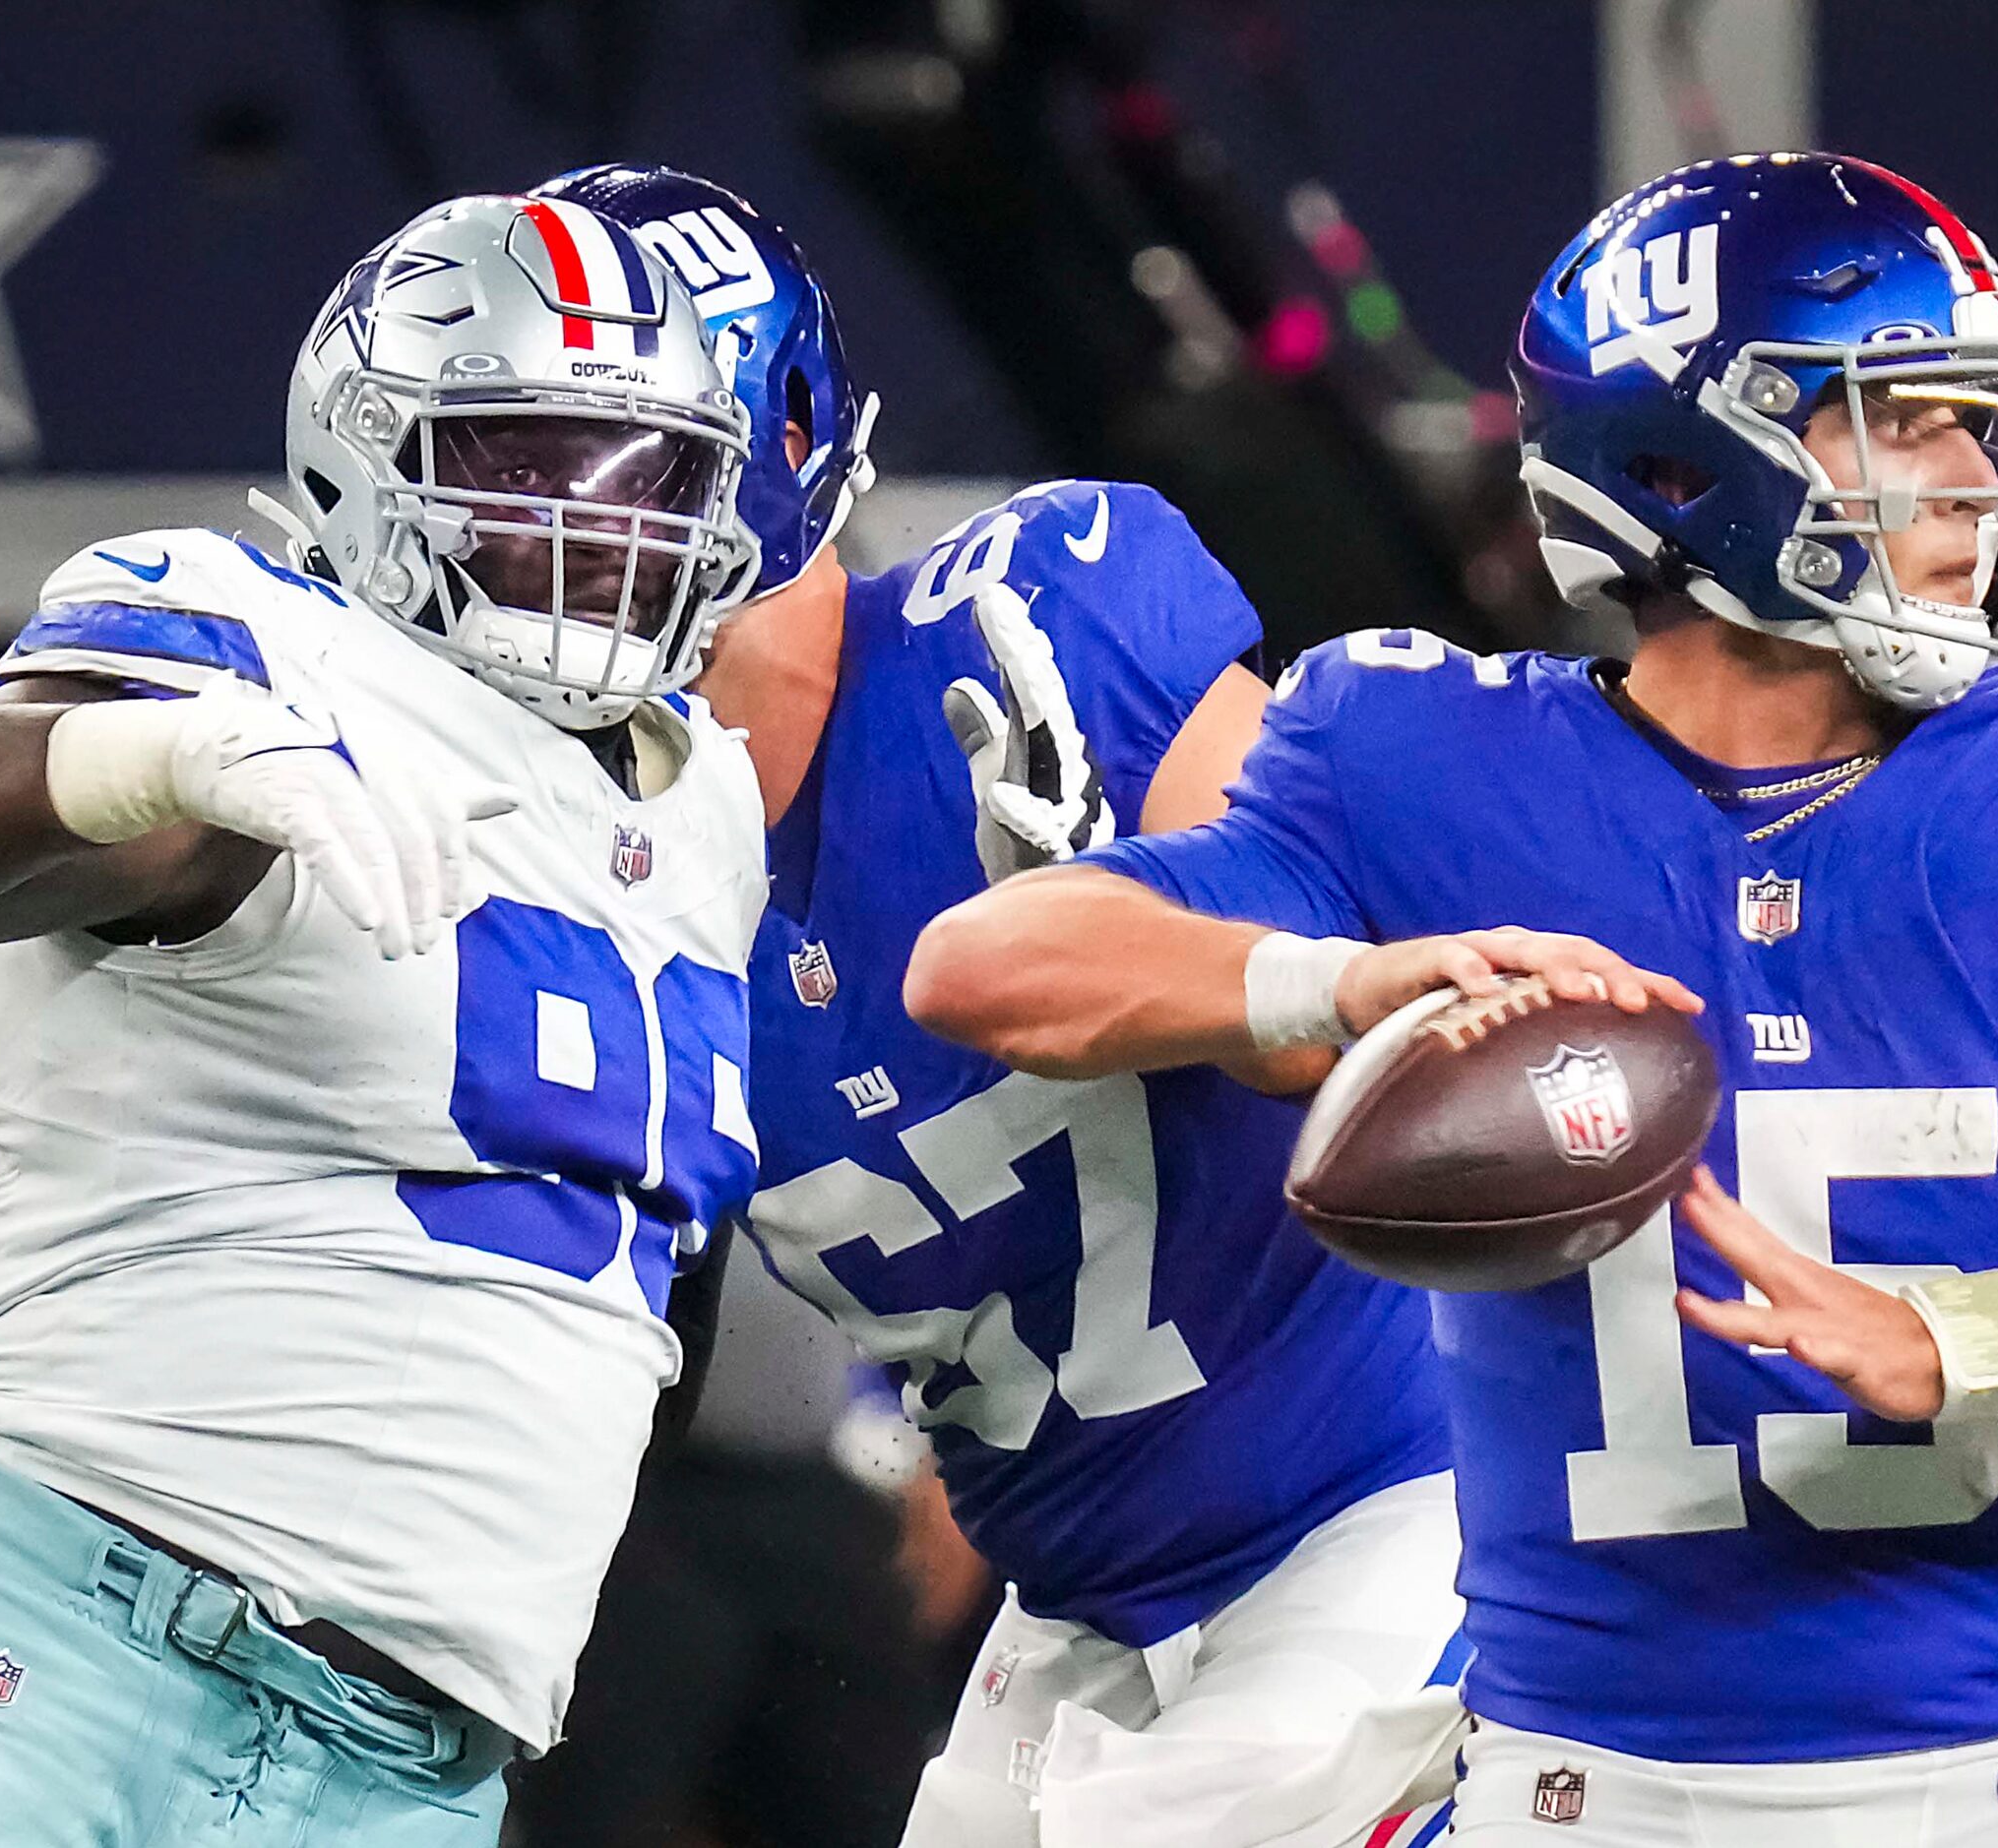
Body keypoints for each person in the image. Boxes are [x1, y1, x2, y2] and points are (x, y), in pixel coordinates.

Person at [907, 152, 1998, 1846]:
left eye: (1976, 422)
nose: (1972, 478)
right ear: (1683, 462)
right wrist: (1341, 977)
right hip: (1584, 1792)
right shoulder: (1428, 769)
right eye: (1902, 416)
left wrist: (1959, 1337)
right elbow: (986, 966)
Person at [0, 191, 770, 1843]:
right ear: (368, 452)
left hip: (416, 1765)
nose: (606, 522)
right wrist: (139, 758)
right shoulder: (257, 642)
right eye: (531, 458)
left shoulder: (707, 806)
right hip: (66, 1637)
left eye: (651, 472)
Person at [535, 165, 1465, 1848]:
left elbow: (1360, 1012)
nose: (545, 518)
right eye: (506, 468)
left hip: (1387, 1521)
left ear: (769, 444)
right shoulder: (576, 857)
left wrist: (1117, 940)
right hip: (1073, 1619)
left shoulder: (1033, 624)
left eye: (594, 458)